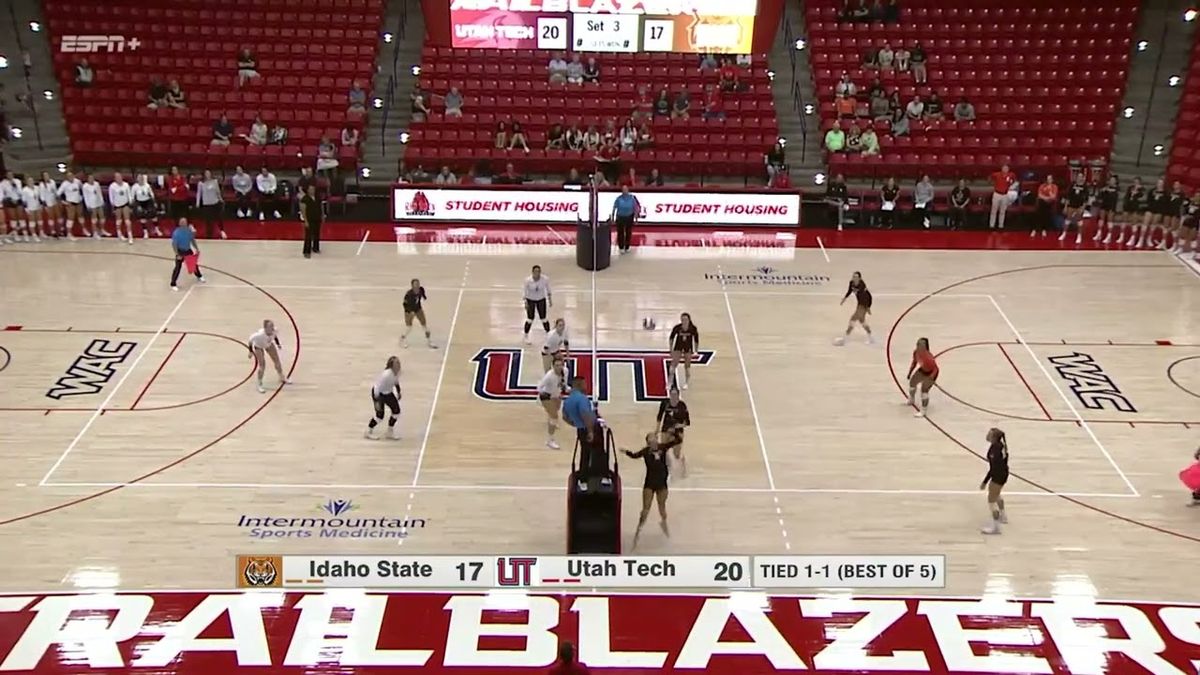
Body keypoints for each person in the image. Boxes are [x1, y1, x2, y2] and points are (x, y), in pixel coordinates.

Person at [623, 430, 682, 547]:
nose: (653, 441)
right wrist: (626, 451)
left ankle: (664, 526)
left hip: (662, 484)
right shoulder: (645, 452)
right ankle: (638, 531)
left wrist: (673, 432)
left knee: (662, 509)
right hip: (649, 483)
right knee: (645, 510)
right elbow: (634, 455)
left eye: (654, 438)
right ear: (648, 442)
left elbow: (678, 440)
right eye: (650, 439)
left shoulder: (663, 447)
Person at [979, 428, 1009, 535]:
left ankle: (996, 528)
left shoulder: (995, 450)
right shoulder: (1000, 445)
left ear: (994, 437)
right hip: (1003, 473)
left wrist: (985, 481)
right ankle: (1003, 516)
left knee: (991, 501)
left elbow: (993, 468)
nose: (987, 435)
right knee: (997, 494)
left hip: (998, 475)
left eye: (989, 434)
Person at [247, 319, 290, 393]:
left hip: (268, 345)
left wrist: (278, 344)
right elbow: (250, 341)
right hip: (259, 347)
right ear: (265, 328)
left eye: (272, 325)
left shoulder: (275, 331)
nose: (272, 327)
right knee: (262, 365)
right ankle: (259, 384)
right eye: (270, 326)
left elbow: (275, 336)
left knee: (277, 361)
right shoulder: (258, 335)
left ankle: (281, 377)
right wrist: (250, 351)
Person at [656, 387, 691, 477]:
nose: (673, 396)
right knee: (663, 450)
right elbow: (659, 417)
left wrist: (676, 426)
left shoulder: (682, 406)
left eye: (675, 395)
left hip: (677, 432)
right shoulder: (665, 403)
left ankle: (683, 464)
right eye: (672, 394)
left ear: (678, 395)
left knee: (676, 454)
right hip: (665, 430)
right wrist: (657, 430)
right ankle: (667, 468)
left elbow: (687, 422)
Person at [365, 356, 402, 440]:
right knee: (379, 416)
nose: (399, 365)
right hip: (379, 394)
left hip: (388, 393)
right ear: (392, 365)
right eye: (396, 363)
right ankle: (368, 431)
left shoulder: (397, 372)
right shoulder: (386, 375)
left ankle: (389, 431)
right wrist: (377, 400)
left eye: (399, 362)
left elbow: (396, 382)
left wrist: (399, 392)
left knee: (396, 412)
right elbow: (378, 386)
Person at [537, 358, 568, 450]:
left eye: (560, 365)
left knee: (556, 410)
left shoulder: (565, 371)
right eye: (556, 365)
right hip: (546, 396)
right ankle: (550, 441)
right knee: (554, 417)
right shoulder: (549, 376)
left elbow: (563, 383)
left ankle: (550, 420)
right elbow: (539, 387)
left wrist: (565, 388)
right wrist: (545, 395)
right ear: (553, 366)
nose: (558, 367)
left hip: (556, 394)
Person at [836, 271, 873, 345]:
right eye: (853, 276)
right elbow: (849, 291)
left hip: (864, 304)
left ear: (859, 278)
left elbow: (869, 296)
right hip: (859, 304)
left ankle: (845, 338)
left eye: (856, 277)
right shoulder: (851, 283)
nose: (854, 278)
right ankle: (870, 336)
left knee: (853, 318)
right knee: (862, 321)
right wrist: (844, 298)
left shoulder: (862, 286)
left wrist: (868, 307)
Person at [169, 218, 206, 291]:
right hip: (180, 252)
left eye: (185, 222)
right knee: (177, 268)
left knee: (194, 265)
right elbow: (174, 244)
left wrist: (196, 248)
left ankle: (199, 276)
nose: (184, 223)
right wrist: (177, 254)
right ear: (179, 223)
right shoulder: (176, 233)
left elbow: (192, 240)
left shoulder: (189, 231)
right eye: (182, 222)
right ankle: (173, 283)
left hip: (188, 250)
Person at [400, 278, 436, 349]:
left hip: (418, 309)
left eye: (418, 283)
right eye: (415, 284)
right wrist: (410, 312)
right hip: (409, 311)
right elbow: (405, 304)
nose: (417, 285)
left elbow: (423, 296)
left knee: (424, 325)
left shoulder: (421, 290)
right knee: (409, 327)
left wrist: (424, 297)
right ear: (412, 285)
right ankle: (402, 339)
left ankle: (429, 342)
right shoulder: (409, 294)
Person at [906, 337, 938, 417]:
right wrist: (910, 373)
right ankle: (911, 399)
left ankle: (923, 411)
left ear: (924, 346)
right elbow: (914, 362)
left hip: (931, 372)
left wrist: (931, 377)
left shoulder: (928, 357)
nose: (918, 345)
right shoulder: (916, 352)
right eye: (918, 343)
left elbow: (935, 368)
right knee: (912, 383)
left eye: (920, 344)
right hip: (923, 370)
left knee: (924, 390)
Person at [522, 264, 552, 344]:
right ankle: (526, 336)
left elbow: (548, 289)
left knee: (544, 318)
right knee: (530, 319)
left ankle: (548, 335)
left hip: (541, 299)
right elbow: (524, 291)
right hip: (530, 300)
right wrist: (525, 302)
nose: (537, 273)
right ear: (532, 272)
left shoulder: (545, 279)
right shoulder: (528, 280)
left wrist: (550, 300)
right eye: (535, 272)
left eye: (538, 272)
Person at [668, 313, 699, 390]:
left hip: (688, 349)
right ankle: (669, 382)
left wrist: (696, 351)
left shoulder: (693, 328)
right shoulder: (677, 328)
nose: (684, 321)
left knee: (687, 367)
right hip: (678, 347)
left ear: (689, 320)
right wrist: (671, 349)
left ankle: (686, 383)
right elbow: (671, 338)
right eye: (682, 319)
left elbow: (696, 340)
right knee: (673, 365)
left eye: (685, 319)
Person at [1059, 173, 1091, 244]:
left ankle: (1079, 236)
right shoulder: (1072, 185)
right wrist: (1065, 206)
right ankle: (1064, 233)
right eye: (1078, 177)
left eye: (1081, 177)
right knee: (1068, 219)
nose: (1079, 178)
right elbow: (1068, 197)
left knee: (1079, 221)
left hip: (1079, 206)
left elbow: (1086, 199)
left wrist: (1083, 208)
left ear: (1083, 178)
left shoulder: (1085, 187)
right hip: (1071, 205)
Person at [1113, 177, 1145, 246]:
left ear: (1139, 182)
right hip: (1128, 205)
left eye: (1137, 182)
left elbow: (1141, 196)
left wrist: (1137, 190)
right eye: (1134, 181)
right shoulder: (1130, 188)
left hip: (1135, 206)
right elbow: (1127, 196)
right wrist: (1125, 202)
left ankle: (1133, 238)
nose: (1135, 183)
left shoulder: (1142, 189)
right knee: (1124, 220)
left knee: (1134, 221)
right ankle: (1121, 236)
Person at [195, 169, 225, 239]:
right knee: (208, 220)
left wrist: (221, 199)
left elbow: (218, 191)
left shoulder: (215, 181)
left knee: (218, 218)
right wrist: (197, 203)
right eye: (206, 173)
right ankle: (209, 234)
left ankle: (222, 231)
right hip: (207, 203)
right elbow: (199, 193)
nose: (208, 175)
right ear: (204, 175)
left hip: (215, 202)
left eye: (209, 173)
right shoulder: (201, 183)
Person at [131, 173, 162, 238]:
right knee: (142, 218)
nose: (141, 179)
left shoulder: (147, 185)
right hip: (140, 202)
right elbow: (132, 197)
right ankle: (145, 232)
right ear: (137, 179)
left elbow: (151, 194)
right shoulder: (134, 187)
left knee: (154, 216)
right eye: (139, 178)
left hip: (148, 201)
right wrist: (135, 205)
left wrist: (154, 202)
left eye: (141, 178)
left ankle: (157, 229)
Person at [57, 170, 83, 240]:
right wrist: (64, 202)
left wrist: (81, 198)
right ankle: (69, 233)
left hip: (78, 202)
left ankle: (84, 229)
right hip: (70, 203)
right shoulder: (64, 184)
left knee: (80, 215)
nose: (70, 177)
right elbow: (58, 194)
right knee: (70, 218)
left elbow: (81, 189)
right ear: (66, 177)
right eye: (68, 176)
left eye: (71, 175)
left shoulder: (77, 181)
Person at [107, 172, 133, 244]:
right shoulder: (112, 186)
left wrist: (130, 202)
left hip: (125, 204)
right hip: (117, 205)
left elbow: (129, 194)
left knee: (127, 220)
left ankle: (130, 236)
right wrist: (113, 205)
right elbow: (111, 197)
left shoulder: (126, 185)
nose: (119, 179)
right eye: (117, 177)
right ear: (115, 179)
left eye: (120, 177)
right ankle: (119, 234)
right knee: (119, 220)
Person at [988, 164, 1016, 230]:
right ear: (1002, 169)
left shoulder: (1011, 175)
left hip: (1005, 195)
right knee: (994, 210)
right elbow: (989, 178)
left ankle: (1001, 226)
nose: (1005, 170)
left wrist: (1010, 184)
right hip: (997, 194)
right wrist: (992, 184)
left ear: (1008, 169)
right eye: (1004, 168)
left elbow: (1014, 180)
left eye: (1007, 168)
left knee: (1003, 211)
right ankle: (991, 225)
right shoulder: (996, 174)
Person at [1093, 175, 1120, 243]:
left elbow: (1115, 196)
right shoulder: (1105, 188)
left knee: (1109, 221)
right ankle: (1099, 234)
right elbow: (1100, 196)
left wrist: (1108, 190)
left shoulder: (1117, 188)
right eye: (1111, 180)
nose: (1111, 181)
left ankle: (1109, 236)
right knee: (1101, 220)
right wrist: (1102, 191)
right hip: (1104, 205)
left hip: (1111, 206)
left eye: (1113, 180)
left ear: (1115, 181)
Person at [612, 185, 637, 254]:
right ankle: (621, 247)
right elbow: (614, 208)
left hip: (629, 216)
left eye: (626, 189)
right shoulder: (618, 199)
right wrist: (613, 217)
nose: (625, 191)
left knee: (628, 232)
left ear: (628, 190)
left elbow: (635, 208)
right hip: (620, 217)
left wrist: (636, 218)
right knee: (620, 232)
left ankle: (627, 246)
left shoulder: (632, 198)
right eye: (623, 190)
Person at [36, 171, 61, 239]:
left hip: (54, 201)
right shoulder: (42, 184)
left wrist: (57, 198)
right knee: (51, 216)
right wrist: (45, 203)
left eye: (47, 175)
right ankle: (52, 231)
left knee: (58, 215)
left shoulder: (52, 181)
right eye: (45, 176)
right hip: (48, 202)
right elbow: (41, 195)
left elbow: (55, 191)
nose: (46, 177)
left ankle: (60, 229)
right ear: (43, 177)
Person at [300, 184, 322, 258]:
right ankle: (306, 251)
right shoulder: (305, 199)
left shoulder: (317, 198)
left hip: (317, 218)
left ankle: (316, 248)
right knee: (308, 236)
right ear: (308, 190)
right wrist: (305, 220)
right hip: (309, 219)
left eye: (313, 189)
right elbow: (303, 210)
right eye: (311, 189)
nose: (312, 190)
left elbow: (320, 207)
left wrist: (322, 215)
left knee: (317, 234)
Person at [82, 173, 107, 238]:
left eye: (92, 178)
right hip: (91, 204)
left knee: (102, 217)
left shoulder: (96, 184)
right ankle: (95, 232)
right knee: (94, 218)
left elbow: (99, 193)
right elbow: (85, 196)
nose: (91, 179)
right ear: (87, 179)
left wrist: (102, 201)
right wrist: (88, 205)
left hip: (99, 202)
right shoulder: (85, 186)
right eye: (90, 178)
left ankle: (102, 230)